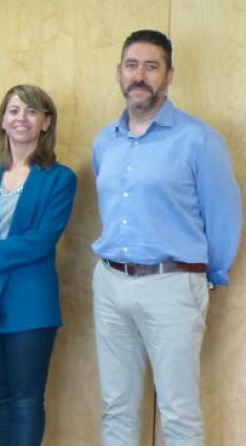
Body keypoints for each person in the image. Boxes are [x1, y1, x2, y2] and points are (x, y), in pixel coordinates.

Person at [91, 29, 241, 446]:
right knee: (116, 407)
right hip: (110, 283)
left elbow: (224, 215)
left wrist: (207, 275)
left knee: (178, 411)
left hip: (172, 284)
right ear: (119, 73)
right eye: (132, 65)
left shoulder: (198, 139)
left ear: (169, 75)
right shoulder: (106, 140)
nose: (140, 75)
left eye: (151, 66)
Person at [0, 85, 77, 446]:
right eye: (13, 110)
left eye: (31, 111)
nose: (21, 118)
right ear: (3, 121)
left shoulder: (60, 178)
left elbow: (41, 240)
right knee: (1, 393)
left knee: (25, 398)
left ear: (45, 122)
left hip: (30, 302)